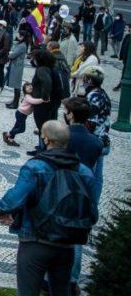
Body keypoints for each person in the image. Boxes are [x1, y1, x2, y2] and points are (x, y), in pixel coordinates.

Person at [0, 120, 97, 296]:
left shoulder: (35, 167)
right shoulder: (85, 172)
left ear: (46, 139)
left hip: (35, 239)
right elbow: (92, 214)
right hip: (67, 244)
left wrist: (0, 208)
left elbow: (14, 199)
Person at [62, 96, 104, 294]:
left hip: (61, 189)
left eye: (66, 110)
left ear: (71, 115)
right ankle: (72, 279)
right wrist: (93, 203)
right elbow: (97, 177)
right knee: (76, 240)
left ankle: (48, 277)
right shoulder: (96, 142)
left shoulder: (61, 136)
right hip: (83, 195)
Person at [81, 66, 112, 203]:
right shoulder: (103, 94)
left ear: (89, 80)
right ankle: (93, 204)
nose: (83, 80)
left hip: (94, 141)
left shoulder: (93, 96)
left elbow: (91, 122)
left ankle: (89, 205)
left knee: (90, 175)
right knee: (97, 176)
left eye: (85, 77)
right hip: (102, 140)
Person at [2, 82, 43, 147]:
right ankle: (7, 134)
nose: (29, 87)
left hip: (22, 114)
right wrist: (43, 99)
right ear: (24, 90)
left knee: (16, 127)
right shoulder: (27, 96)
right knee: (22, 129)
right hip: (20, 114)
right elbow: (33, 101)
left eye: (30, 86)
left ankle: (10, 139)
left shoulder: (31, 95)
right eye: (27, 87)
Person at [5, 31, 30, 109]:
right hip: (15, 65)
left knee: (16, 85)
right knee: (15, 85)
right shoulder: (20, 44)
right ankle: (14, 101)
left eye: (18, 35)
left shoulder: (22, 46)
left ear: (22, 37)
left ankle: (15, 103)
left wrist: (10, 53)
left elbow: (12, 55)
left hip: (17, 67)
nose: (17, 35)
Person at [114, 22, 131, 91]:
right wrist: (121, 56)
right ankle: (121, 84)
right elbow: (123, 47)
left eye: (128, 28)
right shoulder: (127, 36)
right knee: (124, 72)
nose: (126, 29)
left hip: (129, 60)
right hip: (126, 59)